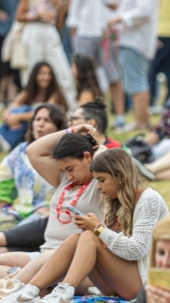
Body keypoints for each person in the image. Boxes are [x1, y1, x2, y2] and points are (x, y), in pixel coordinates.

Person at [0, 148, 170, 303]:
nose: (98, 187)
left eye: (102, 180)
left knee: (91, 236)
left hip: (149, 283)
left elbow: (137, 250)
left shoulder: (149, 199)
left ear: (120, 176)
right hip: (122, 282)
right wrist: (95, 231)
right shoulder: (117, 201)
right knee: (78, 238)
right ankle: (31, 290)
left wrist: (98, 228)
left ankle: (63, 292)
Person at [0, 125, 103, 277]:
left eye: (70, 168)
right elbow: (33, 150)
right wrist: (72, 130)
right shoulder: (64, 180)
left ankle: (23, 281)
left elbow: (114, 160)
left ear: (88, 157)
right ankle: (25, 281)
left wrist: (99, 147)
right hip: (44, 255)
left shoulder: (100, 183)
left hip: (74, 261)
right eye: (64, 170)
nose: (68, 176)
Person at [67, 0, 128, 129]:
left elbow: (129, 5)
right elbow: (75, 6)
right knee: (84, 76)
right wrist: (73, 32)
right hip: (85, 32)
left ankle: (119, 116)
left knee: (113, 75)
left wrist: (119, 9)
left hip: (109, 33)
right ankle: (87, 112)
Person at [108, 0, 160, 132]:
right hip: (134, 38)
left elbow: (144, 11)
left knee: (137, 82)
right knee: (137, 81)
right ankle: (142, 120)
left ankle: (140, 121)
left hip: (135, 40)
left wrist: (120, 18)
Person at [15, 0, 75, 103]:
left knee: (61, 69)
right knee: (33, 69)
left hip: (50, 32)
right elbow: (19, 16)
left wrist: (59, 6)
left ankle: (68, 104)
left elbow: (59, 25)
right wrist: (37, 15)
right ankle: (33, 104)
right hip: (33, 30)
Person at [0, 104, 65, 234]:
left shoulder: (64, 155)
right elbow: (3, 178)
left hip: (48, 215)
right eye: (37, 119)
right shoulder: (20, 151)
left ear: (58, 128)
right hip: (19, 213)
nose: (40, 124)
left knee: (9, 236)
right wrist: (4, 206)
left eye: (47, 121)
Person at [0, 61, 68, 151]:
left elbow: (46, 113)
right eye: (42, 73)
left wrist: (17, 117)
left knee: (25, 112)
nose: (46, 77)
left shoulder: (55, 93)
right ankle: (4, 139)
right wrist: (8, 116)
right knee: (18, 110)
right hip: (34, 127)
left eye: (49, 74)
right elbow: (13, 106)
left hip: (50, 125)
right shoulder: (29, 91)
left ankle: (6, 143)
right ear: (35, 75)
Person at [0, 0, 21, 107]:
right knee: (11, 68)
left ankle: (1, 98)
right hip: (14, 34)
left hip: (2, 33)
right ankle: (8, 99)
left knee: (2, 68)